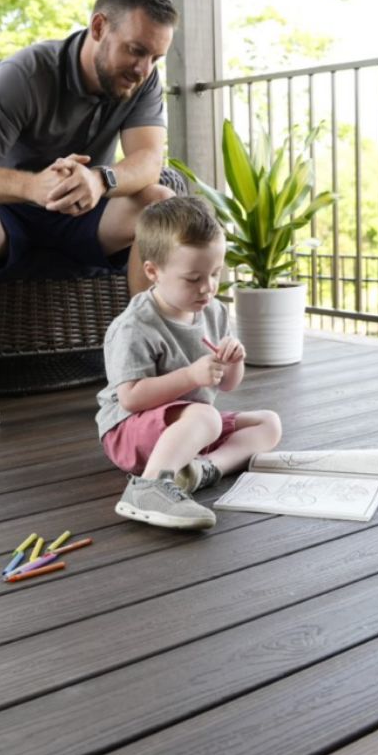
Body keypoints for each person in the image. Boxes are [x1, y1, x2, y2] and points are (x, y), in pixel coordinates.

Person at [0, 0, 179, 453]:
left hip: (87, 211)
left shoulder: (143, 81)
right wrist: (32, 185)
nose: (144, 68)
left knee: (159, 205)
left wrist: (100, 180)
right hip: (12, 214)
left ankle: (142, 383)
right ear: (100, 27)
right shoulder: (27, 72)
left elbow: (149, 160)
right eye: (135, 51)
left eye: (155, 57)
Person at [96, 196, 283, 530]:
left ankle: (201, 470)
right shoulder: (135, 326)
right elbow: (130, 398)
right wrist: (191, 375)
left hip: (192, 427)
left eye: (215, 273)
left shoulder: (213, 311)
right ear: (153, 271)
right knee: (206, 416)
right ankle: (148, 486)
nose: (208, 287)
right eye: (193, 278)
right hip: (129, 430)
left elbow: (227, 384)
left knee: (268, 423)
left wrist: (233, 361)